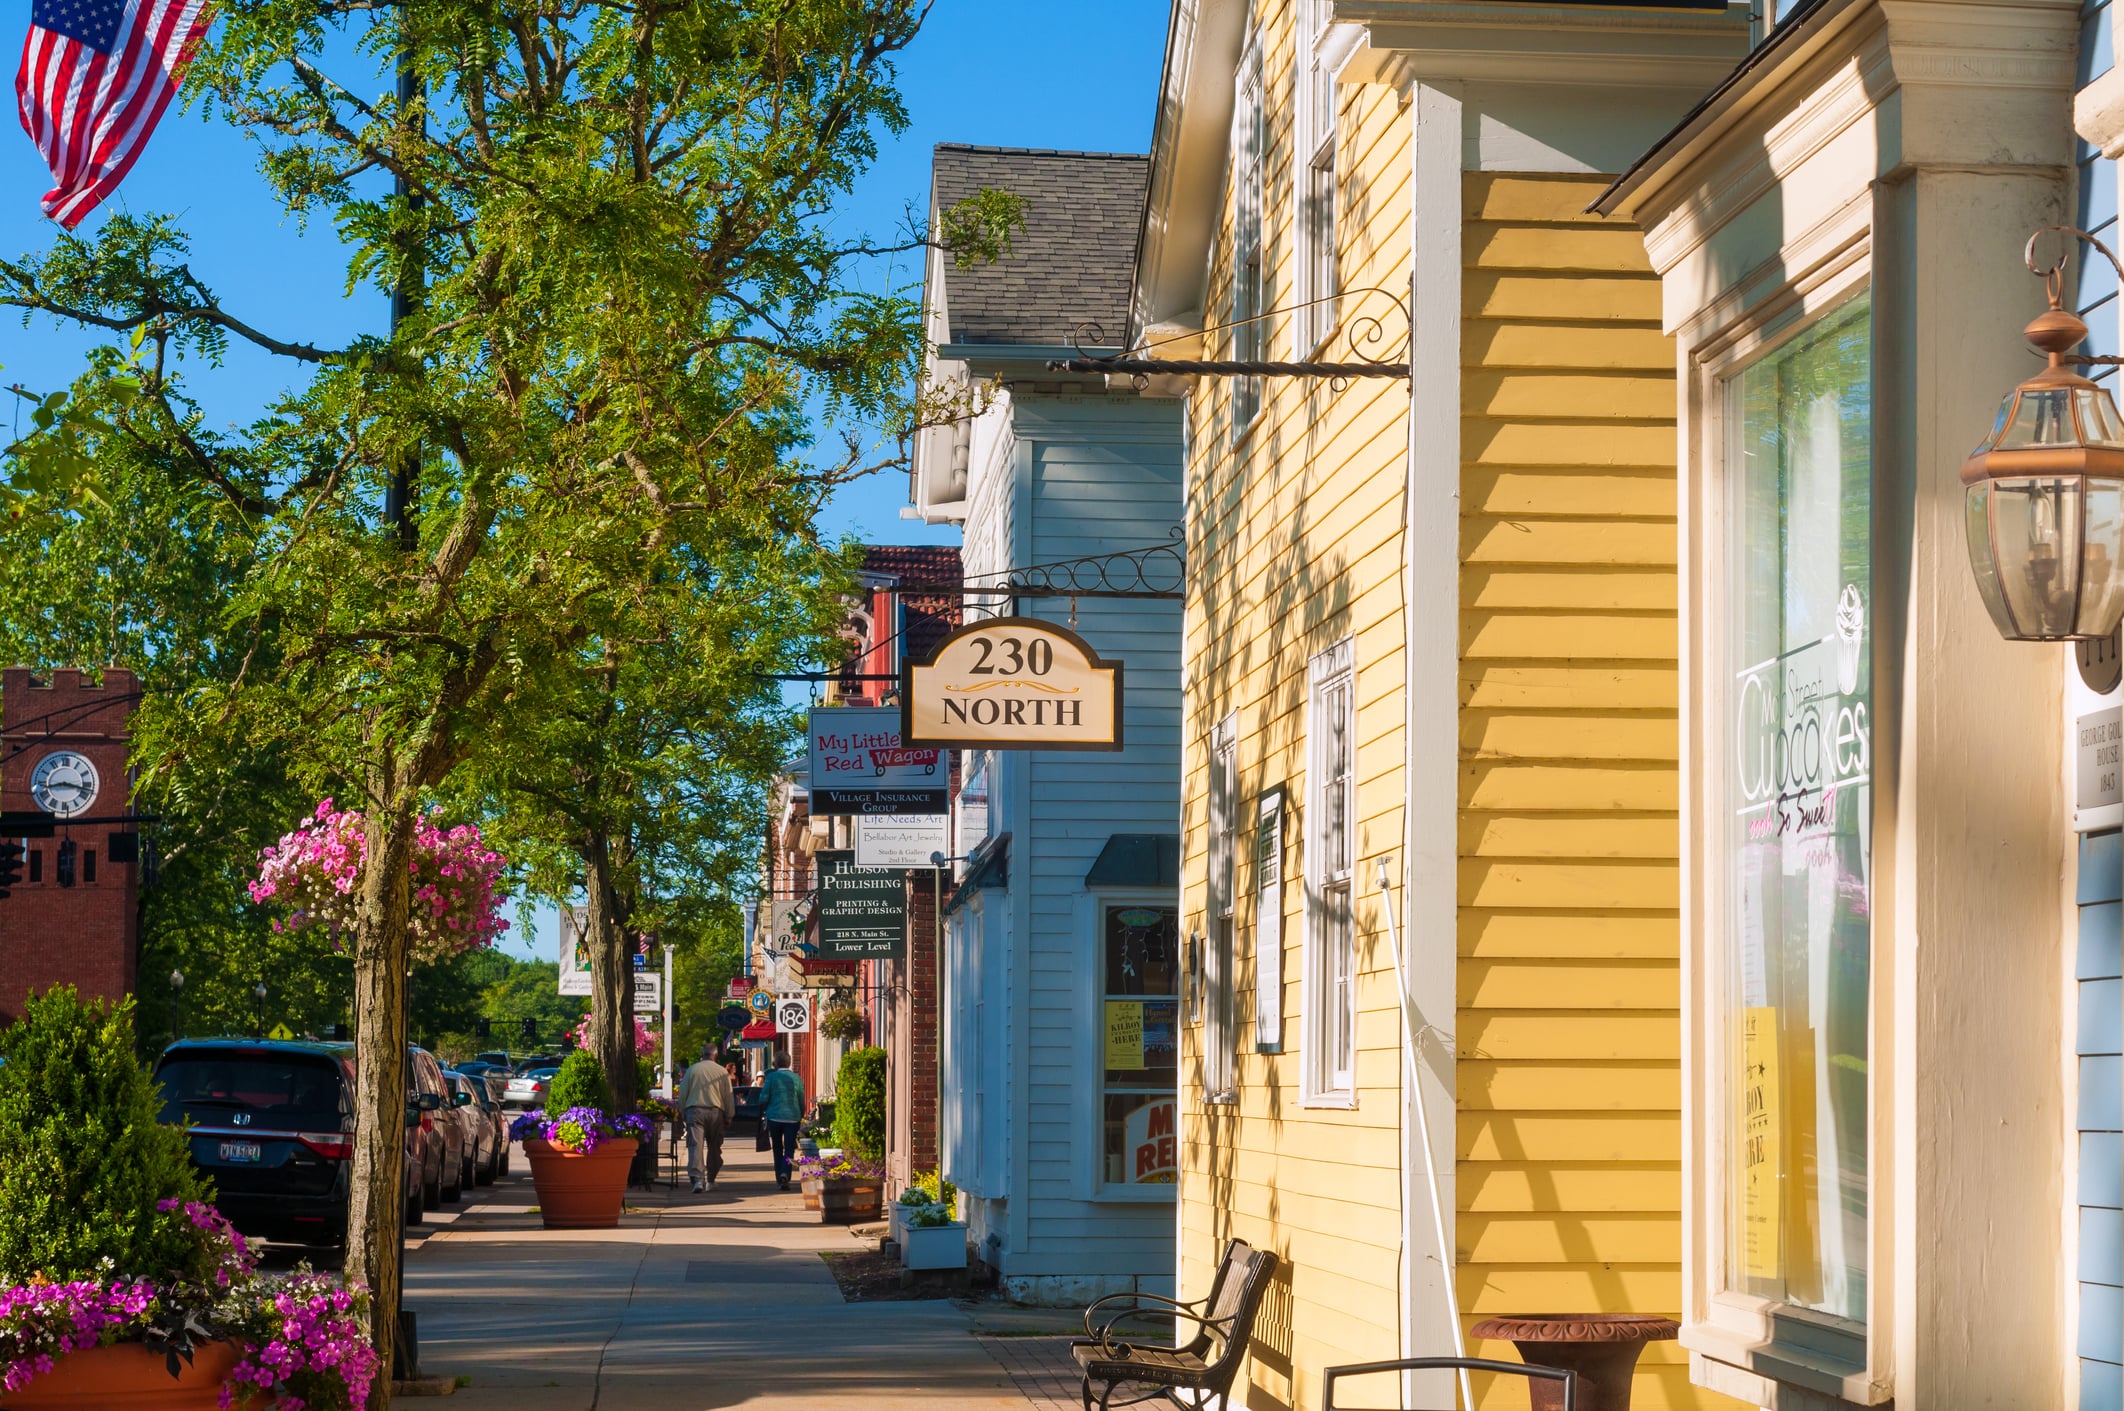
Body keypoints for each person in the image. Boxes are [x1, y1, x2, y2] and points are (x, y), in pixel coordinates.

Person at [678, 1043, 736, 1193]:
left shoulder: (692, 1070)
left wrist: (682, 1111)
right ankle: (711, 1178)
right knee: (714, 1147)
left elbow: (683, 1093)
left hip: (695, 1111)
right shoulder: (722, 1072)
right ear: (715, 1055)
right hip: (715, 1112)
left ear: (702, 1054)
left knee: (695, 1146)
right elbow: (728, 1096)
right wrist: (729, 1115)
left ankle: (697, 1180)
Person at [760, 1052, 806, 1190]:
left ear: (775, 1063)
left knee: (777, 1148)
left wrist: (764, 1107)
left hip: (774, 1116)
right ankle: (785, 1172)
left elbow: (763, 1097)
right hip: (792, 1117)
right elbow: (800, 1097)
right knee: (790, 1148)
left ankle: (779, 1178)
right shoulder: (796, 1078)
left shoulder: (771, 1077)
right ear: (789, 1063)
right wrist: (800, 1113)